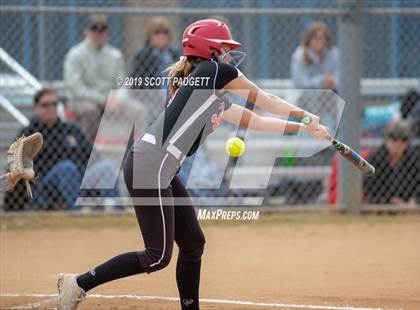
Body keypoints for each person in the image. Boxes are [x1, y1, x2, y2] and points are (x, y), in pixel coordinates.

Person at [56, 19, 330, 310]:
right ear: (209, 50)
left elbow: (258, 121)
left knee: (193, 244)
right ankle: (79, 284)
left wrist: (304, 128)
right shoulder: (214, 71)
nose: (228, 54)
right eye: (223, 48)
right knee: (157, 256)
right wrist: (306, 115)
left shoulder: (205, 87)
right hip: (151, 166)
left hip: (157, 167)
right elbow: (268, 100)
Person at [4, 88, 119, 211]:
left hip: (77, 180)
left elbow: (90, 156)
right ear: (36, 108)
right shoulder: (28, 134)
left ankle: (116, 213)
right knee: (66, 168)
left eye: (54, 104)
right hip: (44, 186)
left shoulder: (70, 129)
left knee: (107, 167)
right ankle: (79, 212)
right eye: (45, 105)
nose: (51, 108)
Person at [63, 15, 125, 141]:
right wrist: (102, 99)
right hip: (81, 99)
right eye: (94, 29)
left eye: (102, 30)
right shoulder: (75, 54)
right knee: (90, 111)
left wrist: (119, 98)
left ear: (107, 33)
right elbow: (75, 87)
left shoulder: (115, 55)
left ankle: (138, 154)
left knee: (138, 110)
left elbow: (123, 83)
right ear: (86, 31)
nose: (98, 33)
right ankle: (87, 151)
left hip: (111, 100)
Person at [363, 120, 420, 206]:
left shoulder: (414, 157)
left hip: (410, 203)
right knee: (372, 201)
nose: (399, 144)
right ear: (386, 140)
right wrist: (392, 200)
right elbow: (368, 186)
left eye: (403, 140)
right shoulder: (376, 157)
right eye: (394, 139)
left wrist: (414, 200)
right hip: (384, 201)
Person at [290, 21, 338, 90]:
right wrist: (321, 81)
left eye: (320, 38)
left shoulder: (334, 53)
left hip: (330, 94)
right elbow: (299, 83)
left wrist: (332, 82)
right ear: (309, 40)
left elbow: (340, 78)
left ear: (326, 40)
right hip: (306, 95)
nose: (317, 41)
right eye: (314, 38)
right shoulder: (300, 55)